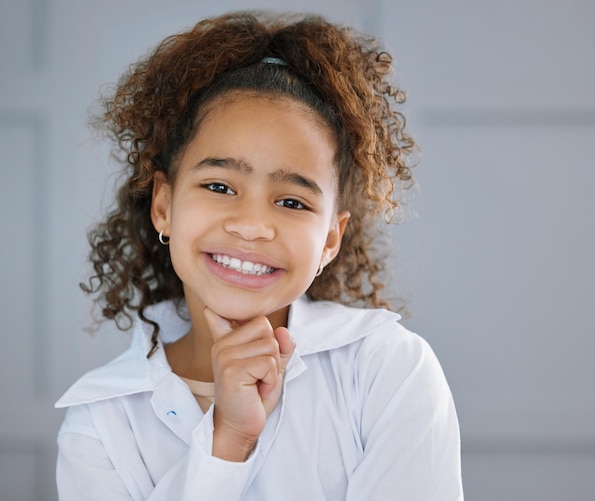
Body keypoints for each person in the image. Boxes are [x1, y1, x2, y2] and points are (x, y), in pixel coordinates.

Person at [55, 11, 463, 500]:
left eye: (292, 201)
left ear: (330, 240)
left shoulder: (389, 372)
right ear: (163, 206)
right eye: (220, 185)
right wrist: (227, 440)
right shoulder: (100, 423)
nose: (251, 226)